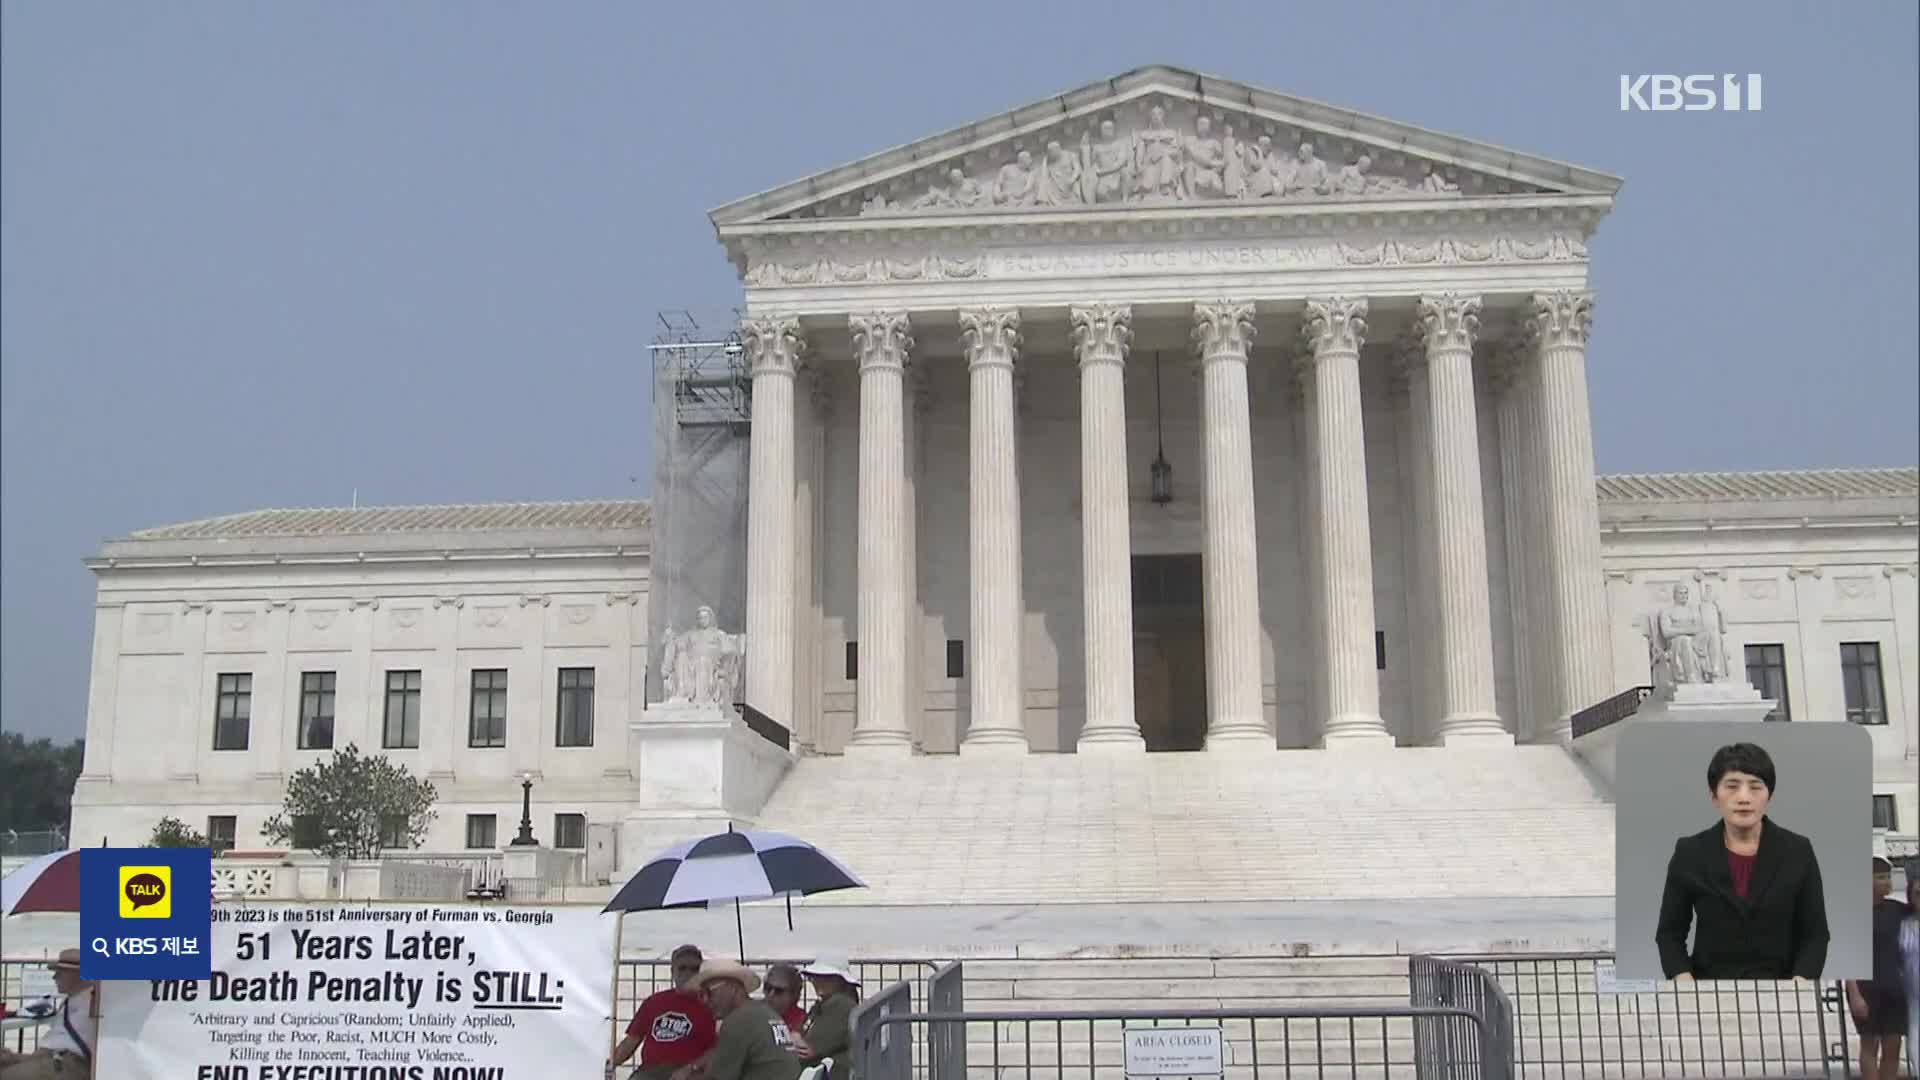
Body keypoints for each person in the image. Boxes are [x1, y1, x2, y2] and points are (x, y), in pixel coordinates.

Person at [1654, 742, 1830, 980]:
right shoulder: (1690, 852)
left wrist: (1800, 983)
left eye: (1755, 787)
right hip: (1708, 991)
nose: (1744, 798)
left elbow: (1815, 933)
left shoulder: (1798, 850)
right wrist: (1685, 982)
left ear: (1770, 796)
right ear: (1714, 796)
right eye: (1732, 787)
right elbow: (1669, 933)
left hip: (1783, 990)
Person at [609, 945, 718, 1080]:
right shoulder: (654, 1002)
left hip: (690, 1072)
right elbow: (631, 1042)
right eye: (682, 968)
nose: (688, 973)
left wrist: (691, 1068)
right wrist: (609, 1064)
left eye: (694, 969)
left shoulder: (713, 1004)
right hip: (651, 1071)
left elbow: (719, 1050)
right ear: (672, 971)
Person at [1849, 857, 1910, 1080]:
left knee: (1893, 1045)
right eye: (1881, 877)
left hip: (1894, 987)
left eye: (1888, 876)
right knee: (1870, 1045)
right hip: (1867, 989)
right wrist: (1855, 995)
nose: (1887, 882)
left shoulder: (1897, 909)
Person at [693, 958, 801, 1080]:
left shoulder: (738, 1020)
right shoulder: (764, 1012)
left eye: (709, 992)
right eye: (701, 994)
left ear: (733, 989)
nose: (706, 1000)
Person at [0, 949, 94, 1079]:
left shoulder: (93, 1003)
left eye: (60, 973)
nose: (54, 977)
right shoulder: (73, 999)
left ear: (79, 975)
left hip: (68, 1064)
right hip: (54, 1059)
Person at [797, 957, 862, 1077]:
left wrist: (790, 1038)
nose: (817, 981)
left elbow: (807, 1050)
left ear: (840, 980)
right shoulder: (825, 1005)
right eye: (814, 976)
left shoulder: (841, 1005)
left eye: (826, 977)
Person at [762, 964, 808, 1042]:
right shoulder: (755, 1013)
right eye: (768, 988)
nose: (771, 994)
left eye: (779, 991)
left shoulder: (802, 1021)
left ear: (794, 995)